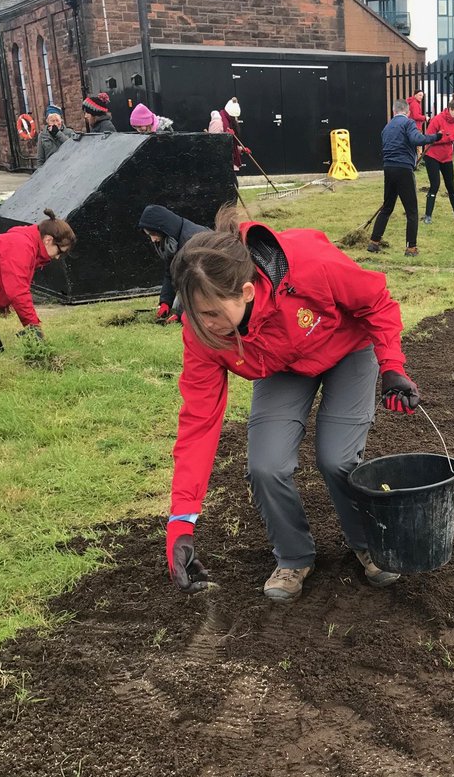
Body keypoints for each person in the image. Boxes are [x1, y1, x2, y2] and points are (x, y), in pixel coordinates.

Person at [165, 207, 421, 604]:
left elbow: (377, 302)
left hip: (347, 350)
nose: (207, 325)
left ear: (247, 292)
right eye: (197, 314)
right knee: (266, 466)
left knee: (337, 459)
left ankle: (368, 544)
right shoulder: (203, 334)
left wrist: (392, 365)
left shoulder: (309, 265)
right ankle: (294, 557)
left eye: (214, 313)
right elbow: (198, 423)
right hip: (282, 367)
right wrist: (181, 522)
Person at [0, 209, 76, 352]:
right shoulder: (21, 245)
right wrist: (33, 326)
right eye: (60, 252)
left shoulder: (25, 242)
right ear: (48, 240)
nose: (57, 257)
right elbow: (18, 290)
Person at [366, 99, 441, 258]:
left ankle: (374, 242)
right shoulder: (408, 123)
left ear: (394, 112)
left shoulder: (386, 128)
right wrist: (435, 137)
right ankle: (411, 248)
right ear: (407, 112)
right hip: (403, 169)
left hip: (388, 169)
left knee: (387, 207)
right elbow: (417, 139)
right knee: (412, 211)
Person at [138, 205, 209, 323]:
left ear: (162, 229)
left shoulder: (190, 240)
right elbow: (171, 272)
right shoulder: (172, 241)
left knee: (183, 305)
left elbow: (192, 282)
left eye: (152, 234)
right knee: (176, 303)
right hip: (198, 281)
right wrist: (165, 302)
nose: (153, 240)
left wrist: (181, 315)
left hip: (213, 281)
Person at [422, 93, 454, 224]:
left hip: (447, 157)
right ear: (449, 109)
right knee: (435, 184)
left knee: (451, 185)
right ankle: (428, 215)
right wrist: (444, 138)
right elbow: (428, 138)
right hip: (432, 156)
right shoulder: (437, 120)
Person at [219, 98, 246, 174]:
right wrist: (226, 136)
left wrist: (241, 149)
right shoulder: (220, 121)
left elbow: (233, 143)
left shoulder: (231, 122)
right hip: (225, 159)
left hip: (230, 157)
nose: (235, 119)